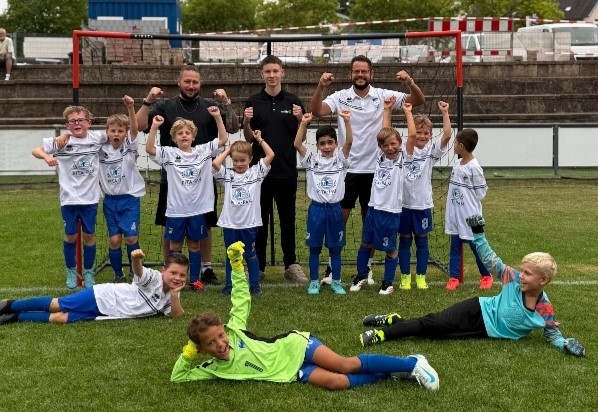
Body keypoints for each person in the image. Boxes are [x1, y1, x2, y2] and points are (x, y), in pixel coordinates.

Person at [170, 241, 440, 391]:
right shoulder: (212, 369)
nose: (220, 343)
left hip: (295, 345)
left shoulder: (234, 330)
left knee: (344, 365)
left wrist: (237, 266)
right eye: (210, 343)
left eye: (219, 335)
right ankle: (391, 372)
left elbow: (240, 298)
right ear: (202, 350)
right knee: (337, 382)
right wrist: (189, 353)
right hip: (290, 371)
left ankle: (412, 363)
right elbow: (178, 377)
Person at [358, 215, 587, 359]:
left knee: (433, 333)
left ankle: (394, 319)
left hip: (483, 331)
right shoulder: (513, 278)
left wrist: (565, 343)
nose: (522, 276)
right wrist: (479, 235)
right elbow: (492, 261)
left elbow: (553, 335)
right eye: (523, 271)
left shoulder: (545, 309)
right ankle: (381, 334)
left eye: (528, 273)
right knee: (431, 323)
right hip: (477, 310)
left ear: (543, 281)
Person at [310, 55, 425, 285]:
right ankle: (332, 267)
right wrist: (321, 87)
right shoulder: (340, 96)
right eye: (356, 71)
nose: (360, 75)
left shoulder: (382, 95)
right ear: (351, 74)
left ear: (371, 74)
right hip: (347, 170)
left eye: (364, 71)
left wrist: (410, 82)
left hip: (376, 171)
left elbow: (418, 100)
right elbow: (317, 110)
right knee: (339, 220)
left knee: (369, 224)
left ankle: (367, 268)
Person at [136, 65, 239, 287]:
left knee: (204, 226)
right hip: (172, 179)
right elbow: (139, 126)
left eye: (195, 82)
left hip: (203, 179)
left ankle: (205, 269)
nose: (191, 86)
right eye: (187, 81)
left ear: (200, 84)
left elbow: (232, 127)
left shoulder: (210, 105)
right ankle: (170, 270)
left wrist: (226, 103)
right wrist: (147, 102)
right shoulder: (164, 106)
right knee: (169, 228)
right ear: (179, 82)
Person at [145, 111, 227, 291]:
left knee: (194, 244)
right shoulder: (169, 153)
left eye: (187, 133)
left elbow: (222, 140)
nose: (184, 135)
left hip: (197, 210)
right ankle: (174, 278)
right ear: (174, 138)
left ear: (193, 136)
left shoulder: (203, 151)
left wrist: (218, 117)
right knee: (175, 245)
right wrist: (154, 127)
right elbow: (149, 149)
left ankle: (194, 280)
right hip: (176, 210)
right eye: (180, 133)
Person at [243, 55, 307, 284]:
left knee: (288, 221)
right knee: (259, 221)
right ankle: (257, 267)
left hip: (286, 170)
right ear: (262, 74)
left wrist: (300, 120)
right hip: (259, 173)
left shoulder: (294, 101)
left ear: (282, 73)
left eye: (275, 71)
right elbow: (248, 138)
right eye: (268, 71)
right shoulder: (252, 102)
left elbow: (301, 138)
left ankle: (291, 265)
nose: (272, 75)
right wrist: (246, 122)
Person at [0, 249, 187, 324]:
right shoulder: (153, 278)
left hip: (109, 312)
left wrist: (174, 295)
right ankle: (10, 305)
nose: (177, 278)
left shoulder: (172, 295)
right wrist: (136, 259)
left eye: (182, 275)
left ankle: (14, 317)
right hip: (102, 296)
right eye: (173, 273)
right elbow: (139, 271)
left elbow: (176, 315)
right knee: (58, 305)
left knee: (61, 318)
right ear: (163, 271)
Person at [32, 106, 106, 289]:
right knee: (70, 236)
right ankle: (71, 271)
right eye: (72, 121)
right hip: (69, 199)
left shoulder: (97, 138)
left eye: (81, 120)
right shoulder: (60, 142)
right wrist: (46, 157)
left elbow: (117, 131)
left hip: (90, 199)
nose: (77, 123)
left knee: (89, 235)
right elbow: (35, 150)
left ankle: (88, 272)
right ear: (67, 125)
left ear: (89, 123)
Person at [350, 98, 414, 295]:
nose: (390, 148)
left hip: (390, 211)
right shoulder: (380, 157)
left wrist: (407, 112)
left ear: (400, 143)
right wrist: (386, 109)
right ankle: (361, 275)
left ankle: (388, 282)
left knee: (390, 248)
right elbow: (383, 133)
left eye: (393, 144)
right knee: (365, 243)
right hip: (373, 208)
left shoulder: (404, 158)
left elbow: (412, 135)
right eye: (386, 145)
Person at [294, 109, 353, 295]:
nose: (326, 146)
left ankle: (336, 281)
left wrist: (347, 121)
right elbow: (297, 144)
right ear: (317, 145)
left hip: (335, 209)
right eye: (322, 143)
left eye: (330, 142)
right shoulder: (311, 159)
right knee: (314, 248)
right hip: (317, 210)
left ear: (336, 143)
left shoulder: (340, 159)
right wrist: (303, 123)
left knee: (335, 248)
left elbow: (349, 142)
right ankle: (314, 282)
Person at [212, 133, 275, 297]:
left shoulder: (256, 173)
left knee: (250, 254)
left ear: (250, 159)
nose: (239, 164)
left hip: (249, 224)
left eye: (242, 160)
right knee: (231, 255)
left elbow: (270, 155)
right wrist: (228, 150)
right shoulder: (228, 175)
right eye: (235, 160)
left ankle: (255, 286)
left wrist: (260, 140)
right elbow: (215, 163)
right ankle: (229, 286)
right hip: (230, 224)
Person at [398, 101, 452, 290]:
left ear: (430, 135)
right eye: (418, 132)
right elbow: (409, 135)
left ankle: (421, 276)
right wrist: (408, 113)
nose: (422, 136)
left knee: (422, 241)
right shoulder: (403, 149)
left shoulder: (431, 151)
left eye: (426, 133)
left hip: (423, 205)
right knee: (404, 241)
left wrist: (445, 113)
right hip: (403, 204)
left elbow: (447, 135)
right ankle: (405, 276)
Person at [99, 95, 145, 282]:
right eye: (113, 131)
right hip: (110, 201)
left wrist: (131, 108)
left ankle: (136, 273)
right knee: (114, 240)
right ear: (107, 132)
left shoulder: (129, 147)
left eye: (120, 131)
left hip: (129, 200)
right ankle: (118, 275)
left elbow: (134, 129)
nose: (116, 134)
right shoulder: (101, 149)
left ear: (125, 134)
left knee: (131, 238)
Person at [444, 128, 491, 291]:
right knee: (454, 247)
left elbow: (481, 193)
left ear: (461, 146)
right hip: (456, 216)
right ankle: (454, 277)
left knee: (476, 248)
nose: (454, 145)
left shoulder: (474, 167)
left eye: (455, 142)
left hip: (470, 218)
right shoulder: (457, 164)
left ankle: (486, 275)